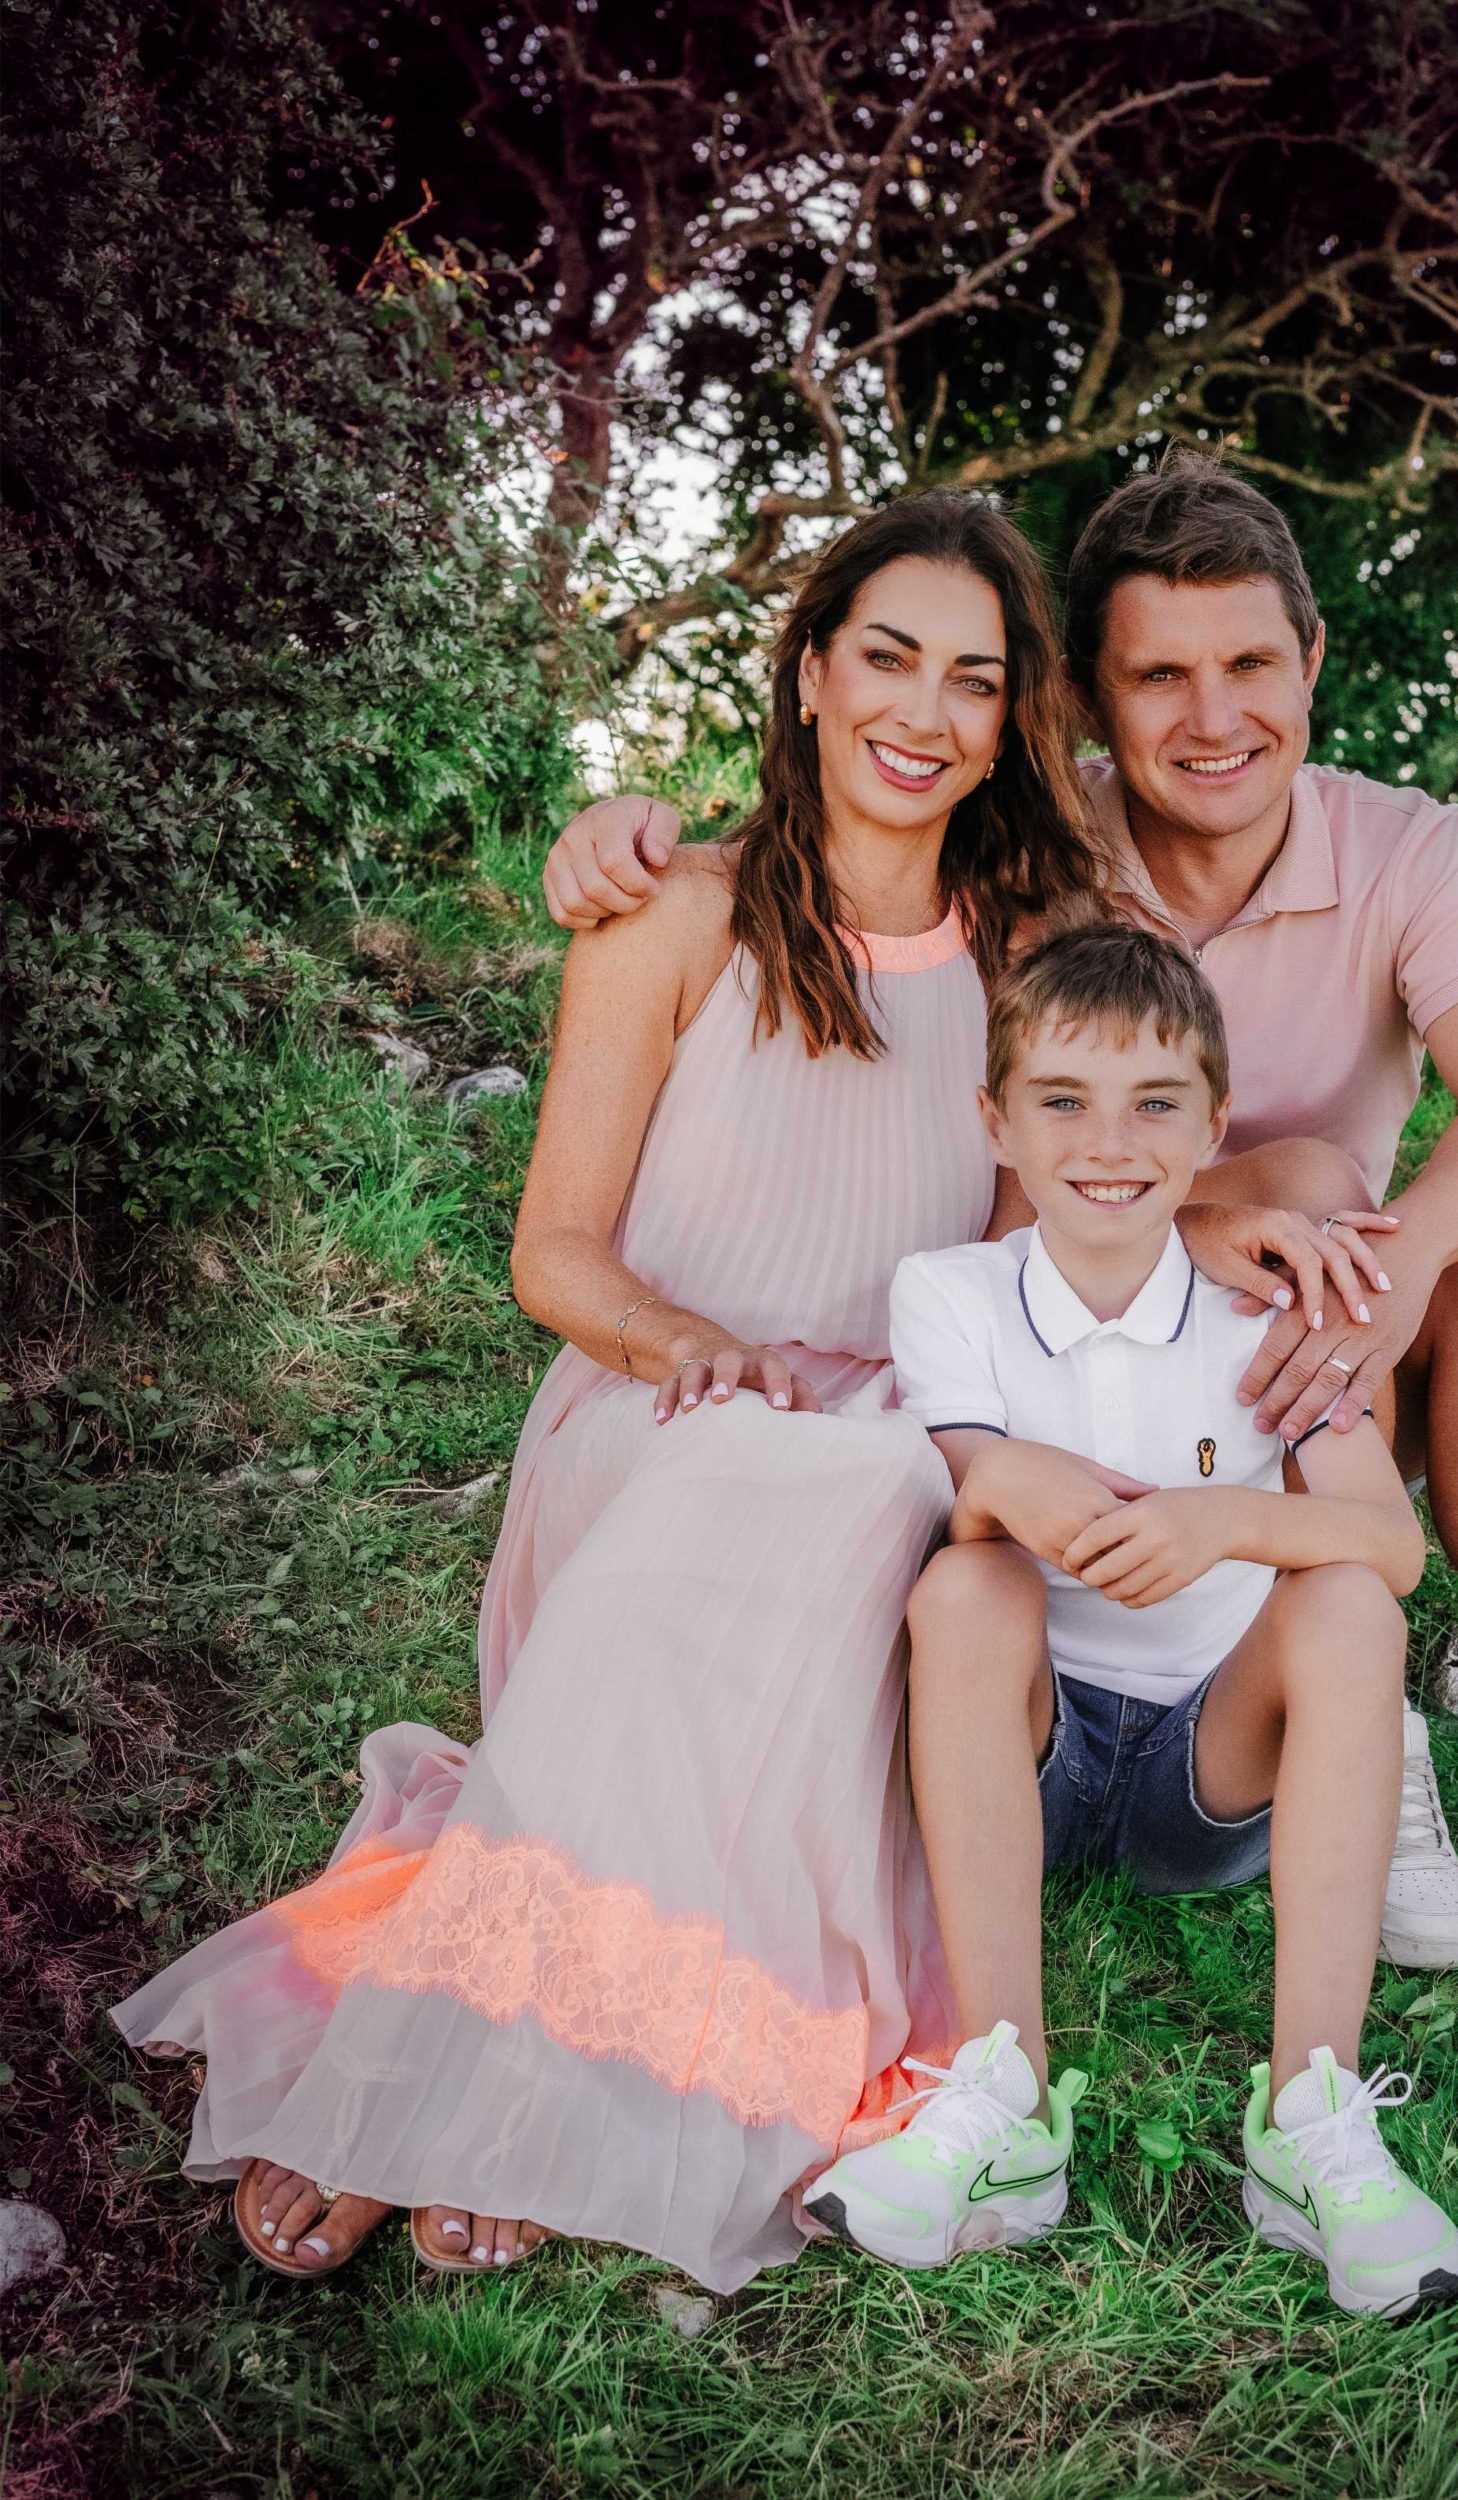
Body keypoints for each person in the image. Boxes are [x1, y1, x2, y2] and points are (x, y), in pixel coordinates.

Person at [114, 493, 1189, 2289]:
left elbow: (1025, 1268)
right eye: (889, 657)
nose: (925, 712)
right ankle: (435, 2073)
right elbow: (558, 1254)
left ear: (1015, 727)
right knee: (728, 1470)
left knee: (841, 1490)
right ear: (811, 670)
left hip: (887, 1442)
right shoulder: (671, 911)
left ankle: (487, 2073)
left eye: (977, 682)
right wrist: (686, 1349)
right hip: (655, 1403)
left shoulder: (1026, 963)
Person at [545, 455, 1458, 2016]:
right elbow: (854, 828)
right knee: (1307, 1183)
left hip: (1320, 1348)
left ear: (1311, 662)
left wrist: (1404, 1265)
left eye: (1250, 663)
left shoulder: (1410, 848)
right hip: (1085, 1328)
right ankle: (1336, 1726)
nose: (1214, 715)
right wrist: (629, 825)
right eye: (1158, 676)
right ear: (1092, 706)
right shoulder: (1038, 851)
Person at [804, 923, 1458, 2317]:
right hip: (1027, 1764)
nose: (1109, 1141)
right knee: (966, 1579)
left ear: (1215, 1123)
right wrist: (1003, 1479)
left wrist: (1217, 1519)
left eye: (1155, 1103)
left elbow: (1386, 1542)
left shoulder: (1262, 1310)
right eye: (1061, 1101)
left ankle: (1310, 2119)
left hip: (1206, 1773)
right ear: (995, 1122)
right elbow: (946, 1493)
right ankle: (1005, 2095)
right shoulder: (951, 1295)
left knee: (1349, 1610)